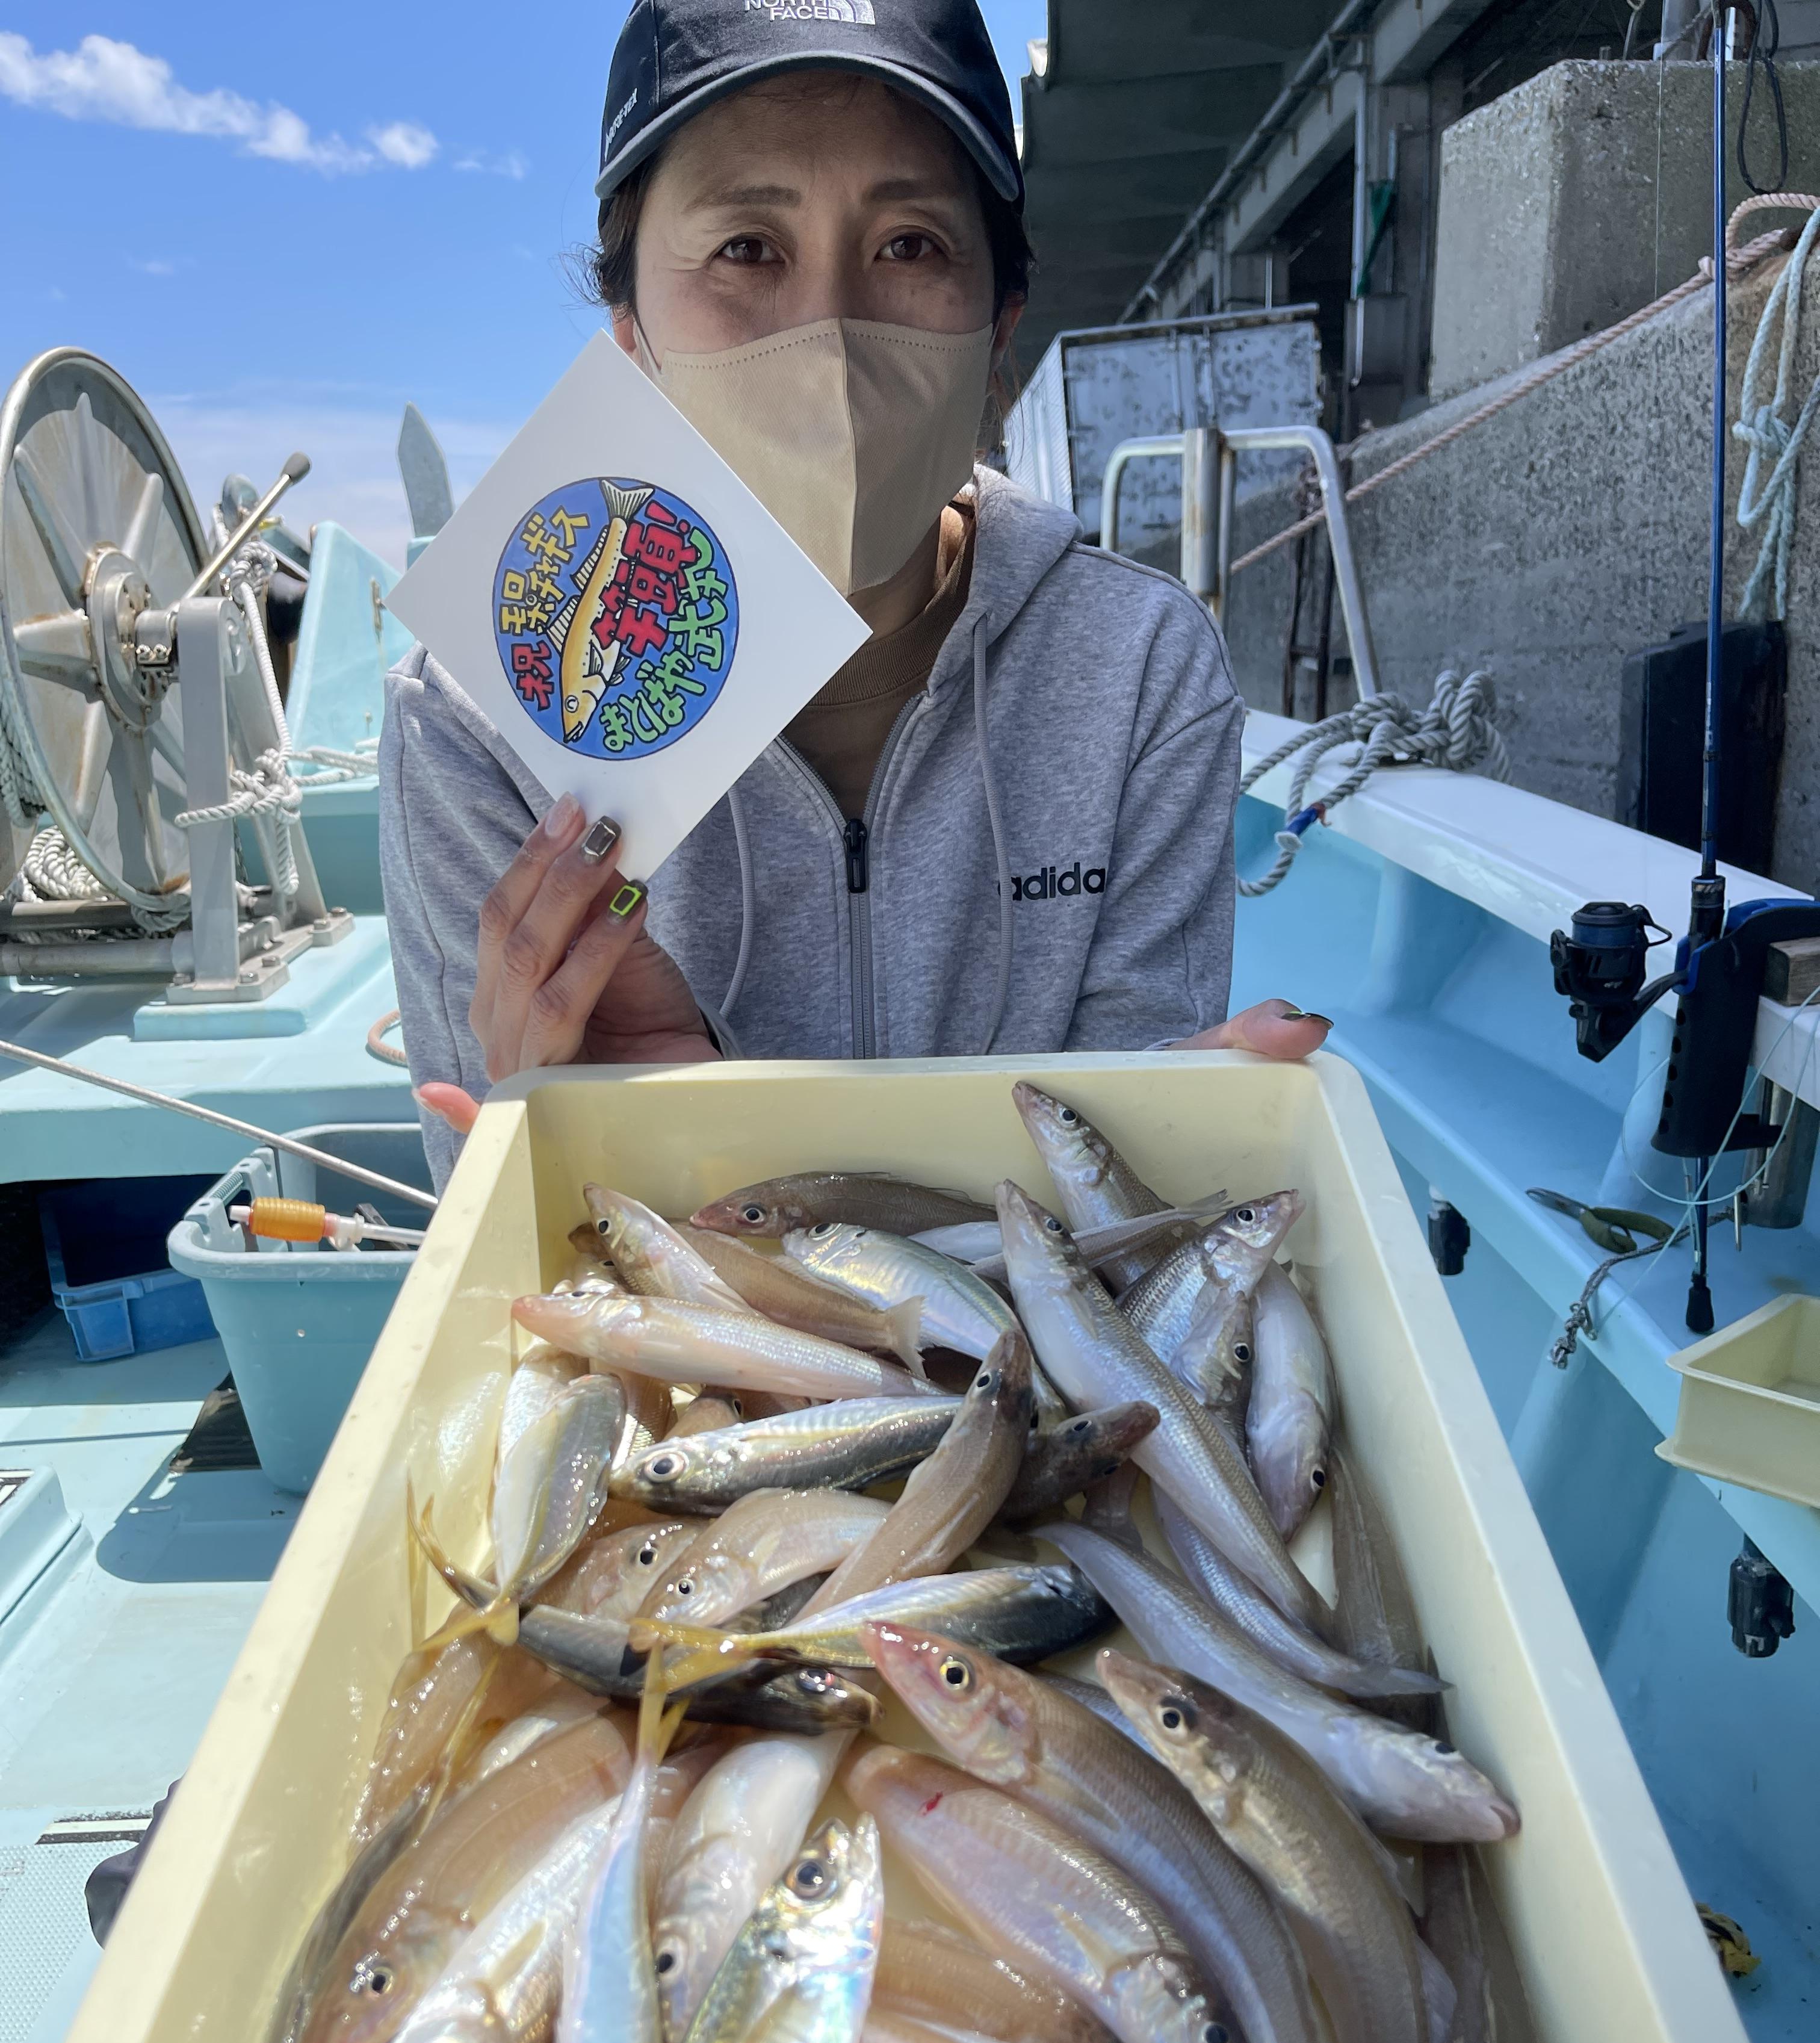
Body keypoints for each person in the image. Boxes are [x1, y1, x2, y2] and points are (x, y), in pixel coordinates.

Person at [380, 0, 1330, 1185]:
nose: (828, 331)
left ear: (1002, 333)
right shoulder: (479, 713)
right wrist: (569, 1151)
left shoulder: (1141, 665)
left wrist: (725, 1158)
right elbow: (490, 1213)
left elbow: (1116, 1181)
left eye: (910, 245)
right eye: (746, 248)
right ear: (630, 336)